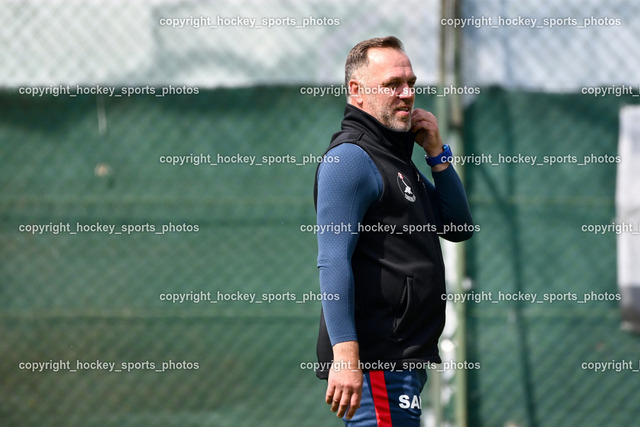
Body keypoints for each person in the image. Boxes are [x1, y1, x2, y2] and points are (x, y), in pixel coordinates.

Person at [313, 36, 474, 425]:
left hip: (403, 362)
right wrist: (345, 357)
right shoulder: (351, 159)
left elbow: (458, 226)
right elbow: (332, 261)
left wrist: (437, 154)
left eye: (410, 83)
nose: (406, 94)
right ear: (357, 91)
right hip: (376, 362)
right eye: (392, 84)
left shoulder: (395, 160)